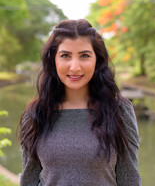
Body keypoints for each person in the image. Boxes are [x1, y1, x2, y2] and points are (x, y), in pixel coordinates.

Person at [19, 19, 141, 186]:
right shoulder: (35, 113)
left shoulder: (119, 110)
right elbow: (28, 180)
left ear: (97, 60)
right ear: (53, 60)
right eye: (65, 56)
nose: (75, 67)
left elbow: (130, 179)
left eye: (84, 55)